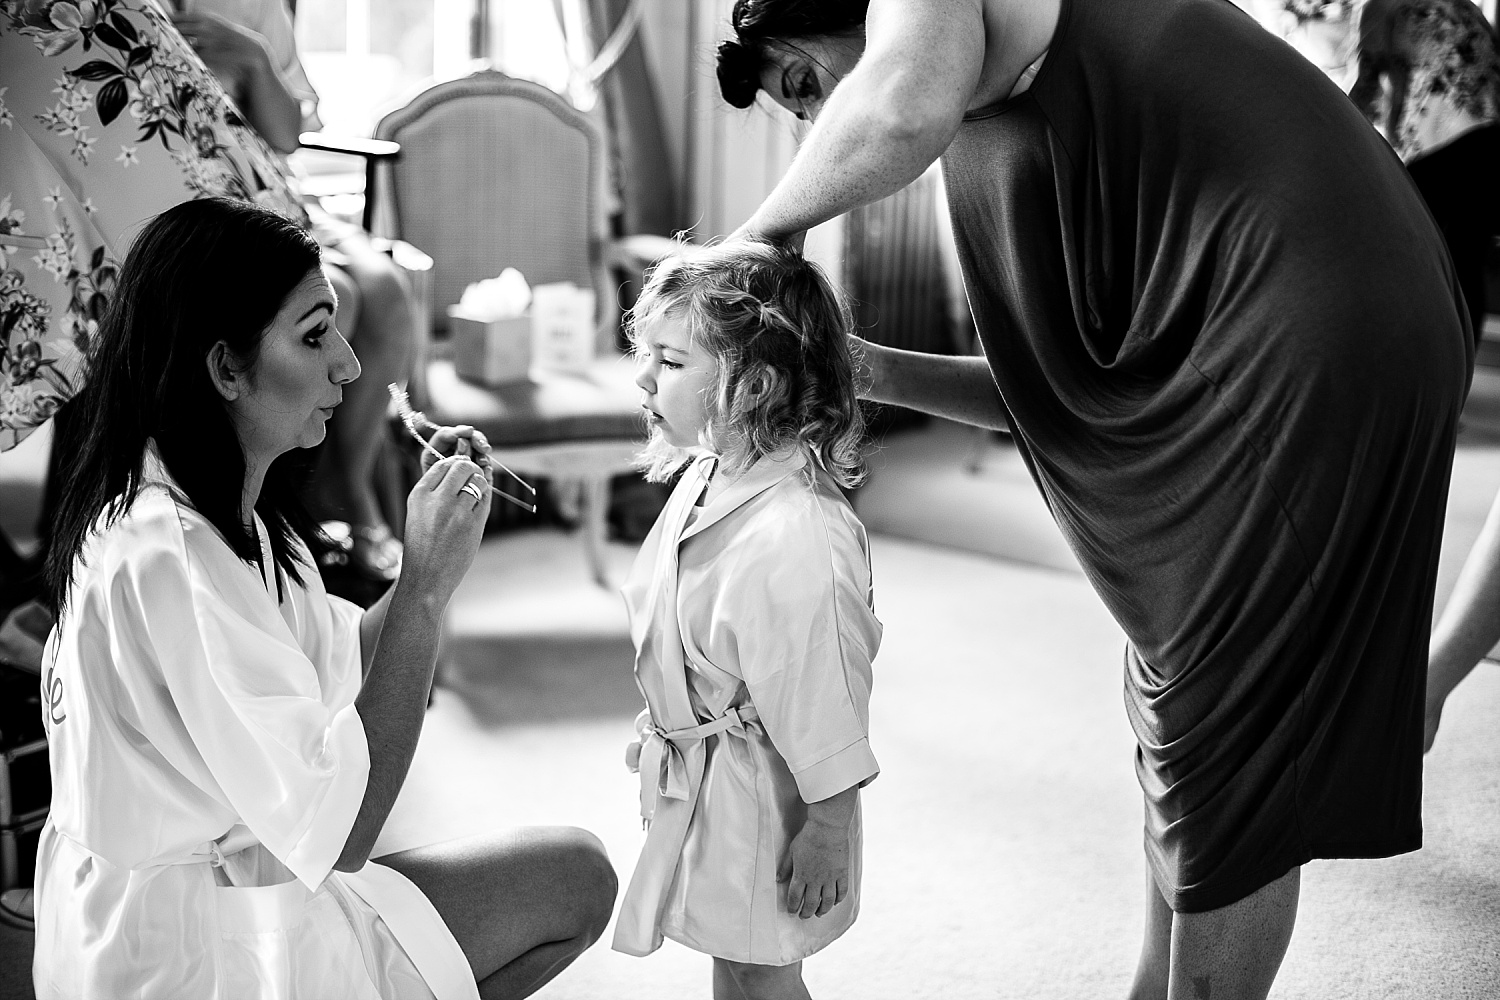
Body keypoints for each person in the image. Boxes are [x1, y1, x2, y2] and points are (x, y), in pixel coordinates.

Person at [714, 1, 1472, 998]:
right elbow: (1049, 385)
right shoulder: (984, 127)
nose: (822, 129)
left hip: (1320, 313)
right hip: (1250, 328)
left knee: (1228, 724)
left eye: (808, 86)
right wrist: (858, 368)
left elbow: (896, 108)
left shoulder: (931, 68)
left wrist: (753, 243)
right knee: (1173, 687)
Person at [32, 198, 616, 999]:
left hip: (243, 890)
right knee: (574, 880)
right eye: (314, 336)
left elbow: (343, 659)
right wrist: (422, 595)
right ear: (225, 369)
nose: (348, 362)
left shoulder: (236, 515)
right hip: (186, 953)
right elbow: (345, 829)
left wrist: (425, 566)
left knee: (573, 877)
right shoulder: (174, 558)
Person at [613, 242, 881, 1000]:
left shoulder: (799, 538)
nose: (643, 378)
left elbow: (826, 694)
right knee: (734, 957)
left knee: (764, 970)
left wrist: (827, 831)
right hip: (713, 780)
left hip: (773, 799)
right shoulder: (710, 472)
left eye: (668, 361)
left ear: (753, 384)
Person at [174, 0, 418, 581]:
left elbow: (286, 135)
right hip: (200, 211)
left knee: (386, 286)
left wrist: (256, 60)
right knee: (339, 298)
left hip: (276, 195)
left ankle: (348, 483)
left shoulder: (251, 6)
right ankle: (283, 504)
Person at [1350, 0, 1500, 346]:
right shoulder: (1462, 6)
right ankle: (1456, 372)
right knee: (1465, 256)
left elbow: (1367, 87)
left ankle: (1395, 354)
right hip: (1493, 142)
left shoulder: (1378, 7)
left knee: (1400, 247)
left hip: (1446, 143)